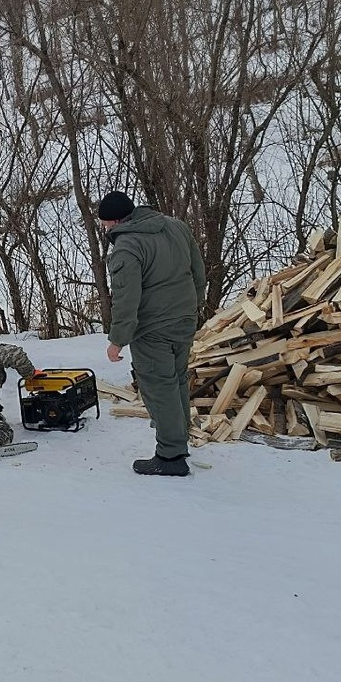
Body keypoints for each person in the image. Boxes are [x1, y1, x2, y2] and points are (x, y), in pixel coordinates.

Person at [100, 190, 205, 477]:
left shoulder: (127, 246)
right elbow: (198, 272)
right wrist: (192, 307)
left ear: (116, 220)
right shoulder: (176, 226)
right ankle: (179, 437)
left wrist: (117, 339)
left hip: (153, 328)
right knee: (177, 379)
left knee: (160, 387)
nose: (106, 229)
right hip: (185, 318)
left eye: (106, 224)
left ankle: (171, 456)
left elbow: (126, 298)